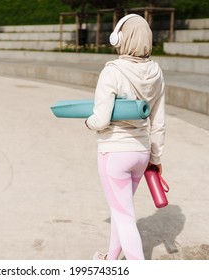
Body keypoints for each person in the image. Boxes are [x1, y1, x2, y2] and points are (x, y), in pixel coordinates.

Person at [85, 14, 165, 260]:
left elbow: (101, 119)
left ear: (118, 38)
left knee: (124, 216)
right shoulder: (156, 71)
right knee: (121, 210)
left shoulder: (112, 71)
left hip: (115, 153)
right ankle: (110, 258)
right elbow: (158, 122)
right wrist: (156, 157)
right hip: (141, 153)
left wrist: (88, 122)